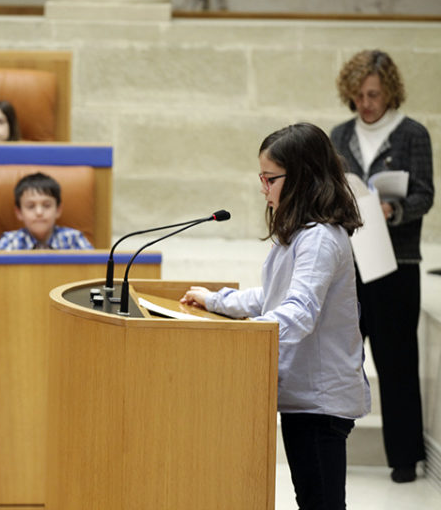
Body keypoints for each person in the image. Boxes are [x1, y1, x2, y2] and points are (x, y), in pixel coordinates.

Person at [180, 123, 369, 509]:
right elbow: (274, 297)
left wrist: (246, 337)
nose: (263, 188)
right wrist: (217, 302)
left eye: (270, 179)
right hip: (305, 398)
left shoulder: (318, 238)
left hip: (320, 402)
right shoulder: (302, 233)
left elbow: (298, 313)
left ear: (301, 177)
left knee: (321, 503)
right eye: (261, 178)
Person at [330, 50, 434, 483]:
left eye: (373, 94)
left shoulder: (411, 134)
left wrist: (394, 209)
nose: (366, 103)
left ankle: (404, 459)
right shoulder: (339, 135)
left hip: (396, 262)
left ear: (390, 90)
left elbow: (425, 194)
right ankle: (332, 445)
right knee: (340, 357)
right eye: (358, 95)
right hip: (351, 261)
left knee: (397, 362)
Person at [0, 172, 93, 250]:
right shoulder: (10, 242)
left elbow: (95, 271)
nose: (39, 212)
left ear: (58, 210)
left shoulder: (74, 239)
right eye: (31, 206)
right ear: (19, 213)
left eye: (46, 205)